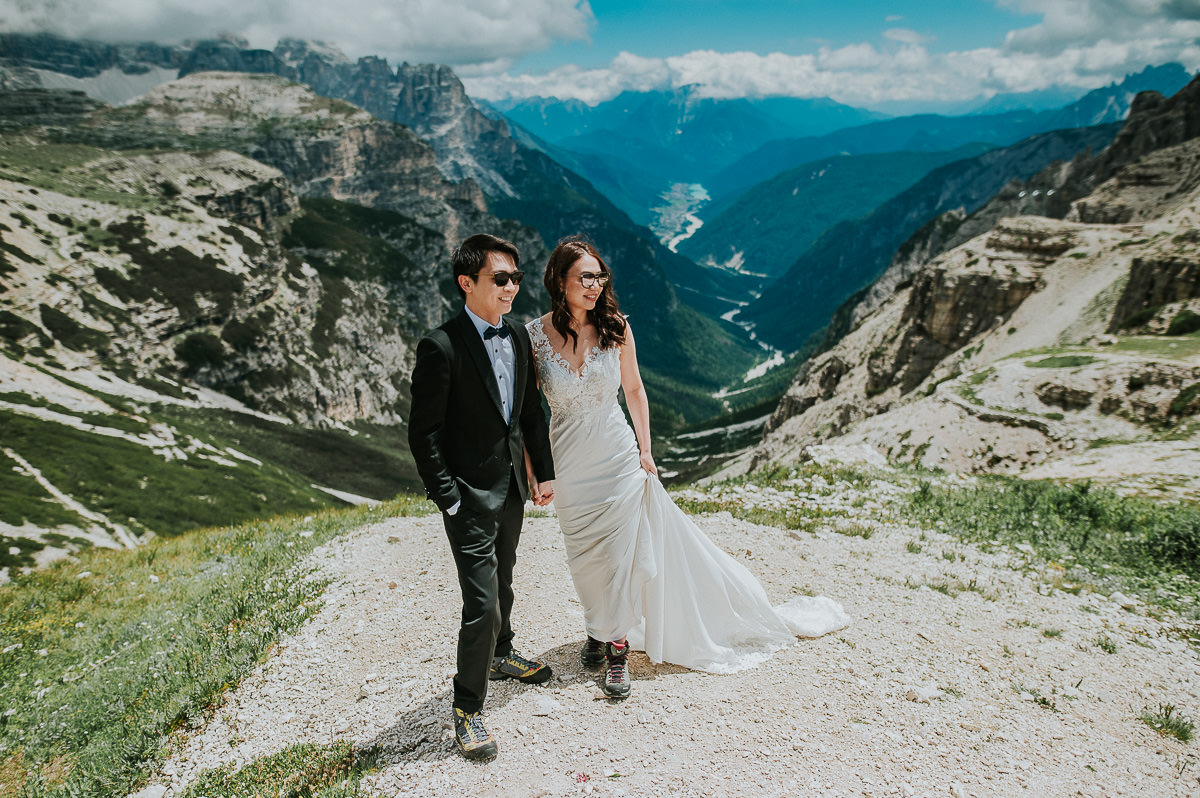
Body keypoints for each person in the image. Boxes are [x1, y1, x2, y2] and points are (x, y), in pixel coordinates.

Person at [526, 236, 848, 700]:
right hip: (569, 458)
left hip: (616, 455)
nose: (596, 285)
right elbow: (527, 412)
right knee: (585, 559)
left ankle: (616, 649)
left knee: (620, 555)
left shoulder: (615, 327)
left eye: (600, 276)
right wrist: (537, 470)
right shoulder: (535, 337)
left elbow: (634, 391)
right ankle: (597, 628)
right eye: (585, 277)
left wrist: (645, 448)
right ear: (560, 281)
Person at [408, 233, 556, 761]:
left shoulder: (516, 335)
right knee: (482, 602)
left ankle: (503, 653)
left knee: (506, 575)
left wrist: (543, 473)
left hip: (514, 486)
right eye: (502, 278)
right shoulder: (440, 346)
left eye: (516, 277)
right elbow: (423, 434)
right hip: (467, 498)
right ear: (466, 283)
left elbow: (530, 410)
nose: (513, 287)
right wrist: (448, 498)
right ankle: (468, 707)